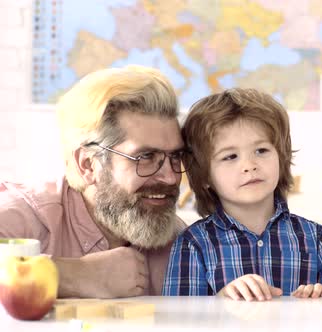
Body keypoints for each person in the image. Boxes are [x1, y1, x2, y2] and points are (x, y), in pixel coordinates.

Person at [0, 65, 187, 298]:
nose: (170, 177)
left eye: (176, 156)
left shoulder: (180, 240)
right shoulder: (26, 216)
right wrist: (72, 275)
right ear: (88, 164)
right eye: (146, 157)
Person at [163, 88, 322, 301]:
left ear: (281, 157)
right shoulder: (193, 244)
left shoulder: (315, 238)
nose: (249, 165)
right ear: (204, 176)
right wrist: (219, 302)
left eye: (261, 150)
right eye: (230, 156)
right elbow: (179, 319)